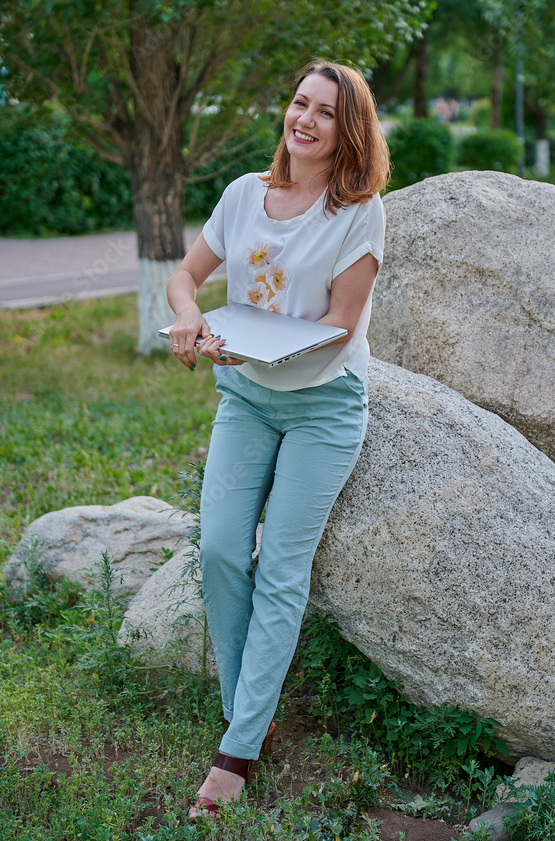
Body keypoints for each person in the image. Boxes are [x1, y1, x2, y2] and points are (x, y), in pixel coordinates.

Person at [165, 59, 391, 820]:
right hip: (245, 399)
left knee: (281, 569)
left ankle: (235, 752)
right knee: (223, 549)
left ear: (347, 131)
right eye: (300, 103)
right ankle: (247, 714)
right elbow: (183, 278)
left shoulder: (359, 213)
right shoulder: (242, 195)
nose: (306, 119)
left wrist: (251, 345)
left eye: (326, 112)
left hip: (323, 408)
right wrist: (192, 320)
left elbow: (337, 329)